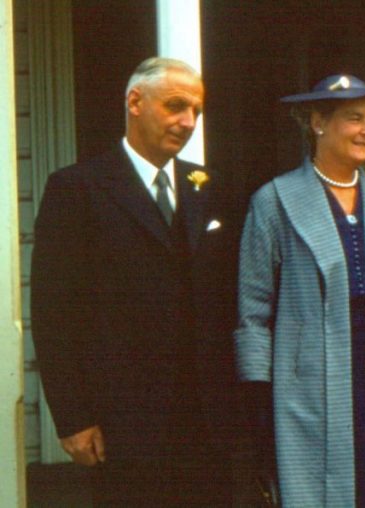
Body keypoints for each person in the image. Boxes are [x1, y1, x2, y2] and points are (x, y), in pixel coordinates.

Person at [31, 56, 239, 506]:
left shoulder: (208, 187)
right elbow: (53, 312)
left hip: (208, 419)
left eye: (196, 112)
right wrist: (73, 417)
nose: (188, 122)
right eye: (176, 106)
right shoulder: (78, 188)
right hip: (124, 422)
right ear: (135, 101)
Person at [234, 73, 365, 506]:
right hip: (306, 384)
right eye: (355, 118)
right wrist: (257, 396)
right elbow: (253, 307)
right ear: (318, 122)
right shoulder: (274, 199)